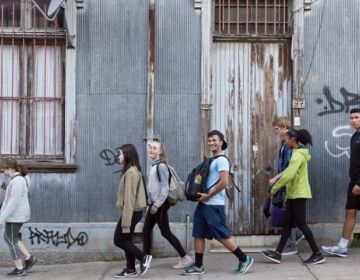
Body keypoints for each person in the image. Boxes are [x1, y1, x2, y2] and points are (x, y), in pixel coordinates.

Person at [184, 130, 253, 275]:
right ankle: (198, 266)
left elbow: (224, 182)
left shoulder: (222, 160)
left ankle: (244, 259)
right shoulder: (212, 160)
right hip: (203, 204)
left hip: (214, 204)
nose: (211, 143)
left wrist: (208, 196)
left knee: (221, 235)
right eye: (209, 140)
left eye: (214, 140)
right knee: (198, 233)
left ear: (221, 142)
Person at [261, 129, 326, 265]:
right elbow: (291, 176)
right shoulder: (297, 153)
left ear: (292, 139)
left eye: (286, 139)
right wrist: (287, 196)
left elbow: (289, 175)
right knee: (287, 224)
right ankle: (278, 253)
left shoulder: (298, 155)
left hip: (299, 194)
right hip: (294, 194)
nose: (284, 141)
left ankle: (317, 254)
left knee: (301, 224)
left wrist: (275, 188)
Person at [142, 141, 192, 270]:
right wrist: (150, 203)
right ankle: (145, 260)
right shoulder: (154, 166)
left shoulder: (161, 167)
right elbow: (155, 188)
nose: (151, 150)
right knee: (147, 231)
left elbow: (164, 188)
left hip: (160, 205)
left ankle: (185, 258)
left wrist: (156, 205)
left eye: (155, 148)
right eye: (150, 148)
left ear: (160, 152)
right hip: (155, 204)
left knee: (165, 232)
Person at [322, 108, 360, 257]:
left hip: (358, 183)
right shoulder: (355, 136)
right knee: (350, 212)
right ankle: (342, 247)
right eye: (351, 118)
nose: (353, 120)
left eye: (357, 117)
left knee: (350, 212)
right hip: (354, 182)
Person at [113, 144, 151, 277]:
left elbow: (129, 198)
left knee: (119, 239)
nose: (119, 156)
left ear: (127, 155)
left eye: (121, 153)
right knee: (127, 239)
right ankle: (130, 269)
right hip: (135, 211)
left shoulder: (130, 173)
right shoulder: (134, 170)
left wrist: (126, 221)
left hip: (131, 211)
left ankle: (143, 258)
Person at [269, 117, 304, 255]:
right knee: (288, 213)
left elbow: (291, 167)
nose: (276, 132)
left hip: (288, 183)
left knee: (287, 213)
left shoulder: (289, 145)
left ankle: (291, 244)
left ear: (283, 127)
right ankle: (297, 235)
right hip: (284, 183)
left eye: (276, 129)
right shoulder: (284, 143)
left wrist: (276, 178)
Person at [0, 158, 37, 276]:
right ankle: (28, 258)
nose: (3, 172)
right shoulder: (19, 179)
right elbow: (17, 194)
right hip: (18, 215)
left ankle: (19, 268)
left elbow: (13, 202)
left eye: (4, 170)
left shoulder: (18, 181)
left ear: (10, 169)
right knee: (12, 238)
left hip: (15, 216)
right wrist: (5, 187)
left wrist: (2, 217)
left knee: (10, 240)